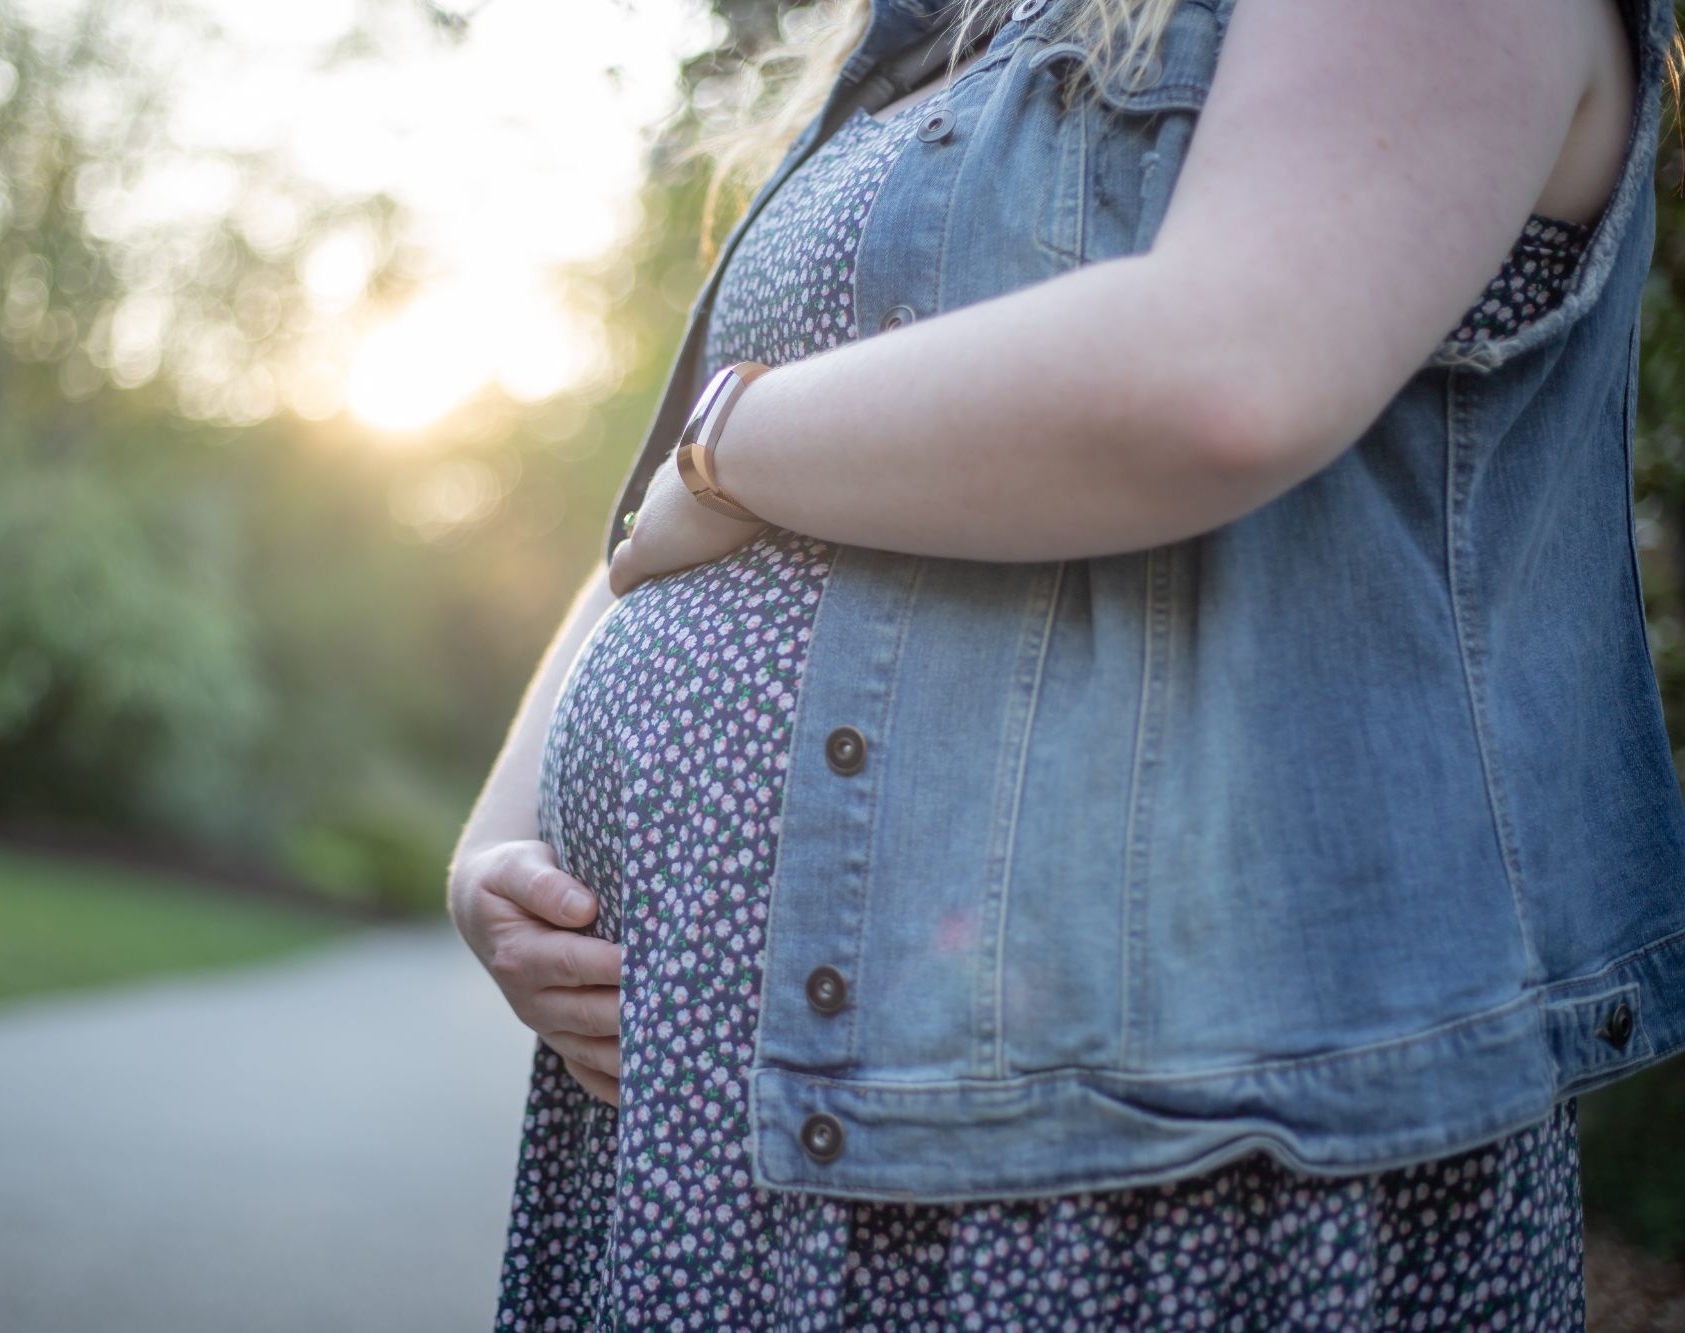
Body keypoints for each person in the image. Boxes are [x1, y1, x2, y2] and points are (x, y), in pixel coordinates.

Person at [448, 0, 1685, 1324]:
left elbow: (1227, 369)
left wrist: (733, 439)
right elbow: (667, 528)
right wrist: (495, 851)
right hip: (715, 1095)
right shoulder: (938, 36)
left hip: (1131, 1148)